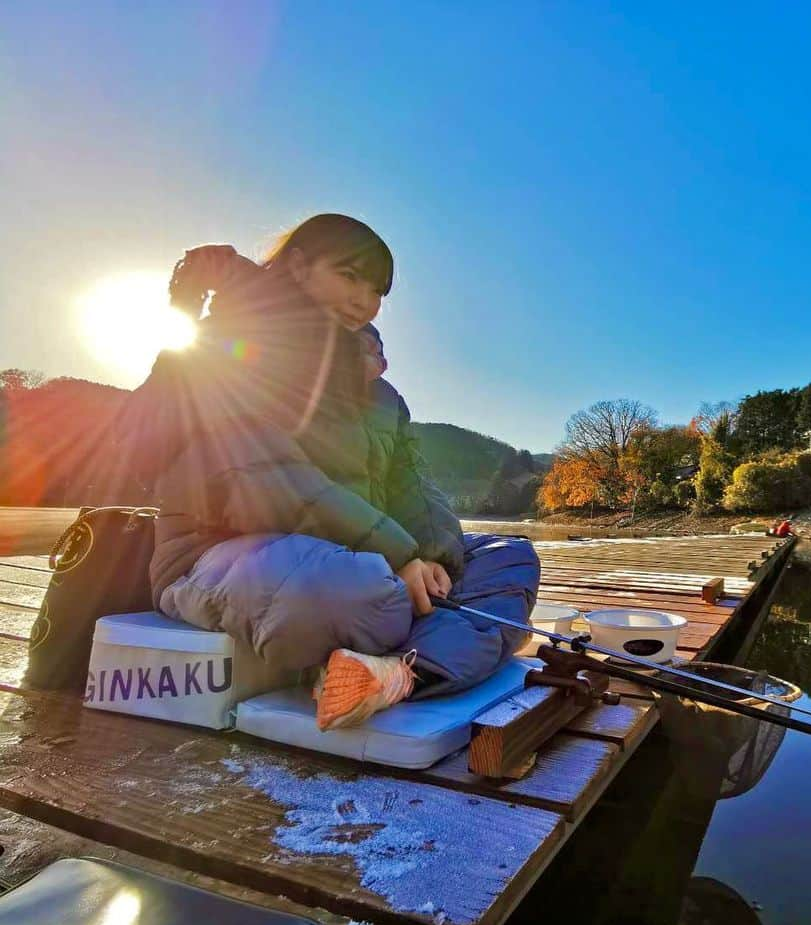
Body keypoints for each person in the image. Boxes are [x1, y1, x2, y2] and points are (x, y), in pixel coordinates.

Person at [121, 214, 539, 729]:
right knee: (357, 592)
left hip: (367, 557)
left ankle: (398, 674)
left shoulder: (383, 396)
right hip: (222, 554)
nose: (365, 300)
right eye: (349, 275)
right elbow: (270, 480)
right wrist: (398, 557)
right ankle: (425, 643)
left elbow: (412, 485)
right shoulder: (223, 352)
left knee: (509, 557)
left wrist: (433, 559)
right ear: (298, 266)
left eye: (378, 290)